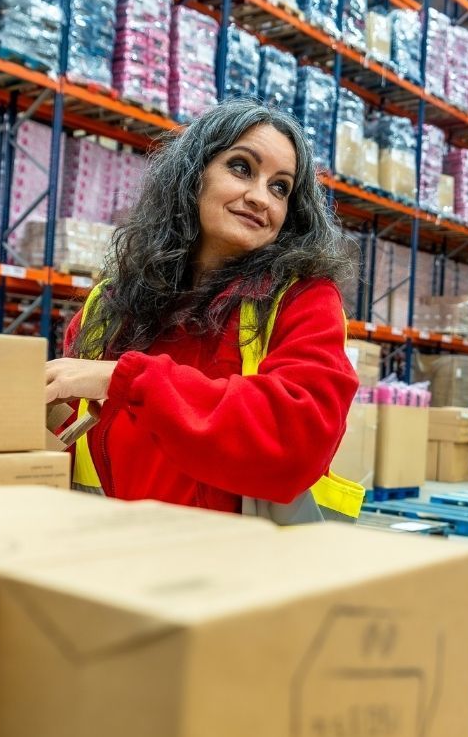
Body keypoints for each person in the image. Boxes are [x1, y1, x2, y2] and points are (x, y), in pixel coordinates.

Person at [42, 99, 362, 520]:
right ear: (193, 175)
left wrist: (125, 379)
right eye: (242, 168)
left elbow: (298, 440)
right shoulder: (108, 306)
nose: (260, 198)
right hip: (117, 549)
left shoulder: (304, 300)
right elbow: (62, 448)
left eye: (280, 187)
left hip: (246, 557)